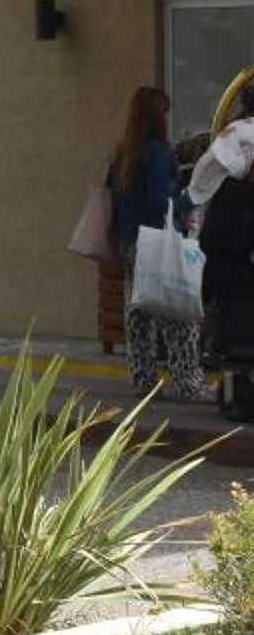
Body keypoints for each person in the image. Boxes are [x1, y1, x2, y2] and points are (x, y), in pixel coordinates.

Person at [111, 85, 204, 399]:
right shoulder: (159, 152)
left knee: (139, 313)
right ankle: (188, 382)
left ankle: (143, 378)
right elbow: (158, 200)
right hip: (158, 241)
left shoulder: (123, 152)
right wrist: (186, 198)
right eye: (165, 112)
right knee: (178, 315)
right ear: (156, 117)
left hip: (130, 241)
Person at [191, 85, 254, 420]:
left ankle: (237, 395)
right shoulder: (236, 195)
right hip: (238, 283)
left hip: (230, 284)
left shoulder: (227, 191)